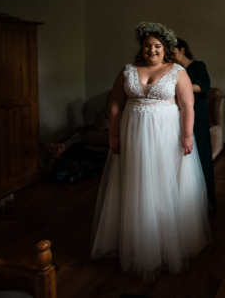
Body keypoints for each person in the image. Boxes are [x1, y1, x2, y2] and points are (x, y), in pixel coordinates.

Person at [90, 22, 212, 282]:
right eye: (147, 46)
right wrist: (113, 135)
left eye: (157, 46)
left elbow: (188, 105)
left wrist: (187, 136)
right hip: (132, 135)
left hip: (166, 136)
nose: (152, 50)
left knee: (162, 184)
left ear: (165, 48)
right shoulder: (127, 71)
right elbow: (114, 103)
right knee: (134, 184)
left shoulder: (177, 71)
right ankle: (136, 244)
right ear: (141, 47)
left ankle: (167, 245)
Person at [174, 39, 216, 211]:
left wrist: (182, 86)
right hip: (175, 113)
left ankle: (202, 202)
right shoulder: (170, 67)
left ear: (182, 50)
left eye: (173, 52)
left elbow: (203, 87)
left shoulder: (198, 66)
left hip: (196, 112)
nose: (170, 57)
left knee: (198, 153)